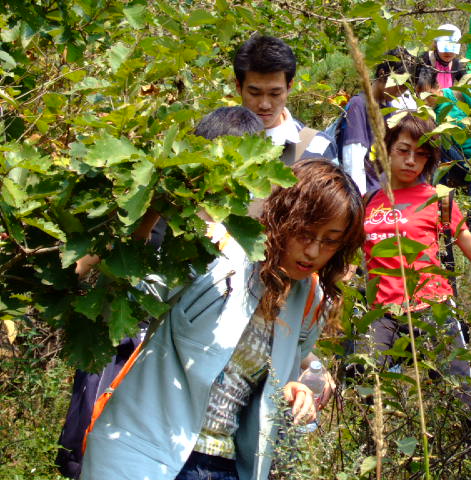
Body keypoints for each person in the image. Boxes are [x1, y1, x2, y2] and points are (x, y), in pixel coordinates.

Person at [81, 158, 365, 480]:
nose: (313, 251)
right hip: (144, 454)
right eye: (305, 233)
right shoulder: (215, 251)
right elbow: (124, 302)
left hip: (225, 467)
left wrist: (298, 389)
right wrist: (146, 218)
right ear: (282, 217)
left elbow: (286, 372)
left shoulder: (310, 299)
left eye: (330, 240)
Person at [57, 106, 266, 479]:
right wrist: (149, 214)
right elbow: (97, 280)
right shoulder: (158, 210)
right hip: (122, 364)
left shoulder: (245, 246)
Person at [362, 113, 471, 459]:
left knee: (463, 390)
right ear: (386, 150)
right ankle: (376, 459)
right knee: (364, 383)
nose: (411, 161)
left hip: (432, 308)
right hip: (383, 313)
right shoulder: (368, 202)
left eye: (421, 155)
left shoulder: (439, 199)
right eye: (403, 150)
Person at [417, 66, 471, 241]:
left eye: (428, 95)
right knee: (436, 140)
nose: (426, 101)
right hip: (456, 162)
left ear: (437, 87)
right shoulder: (428, 114)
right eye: (420, 97)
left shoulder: (459, 95)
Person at [234, 34, 337, 165]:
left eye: (275, 94)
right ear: (238, 86)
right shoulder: (219, 138)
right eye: (255, 93)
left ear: (289, 86)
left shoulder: (318, 146)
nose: (265, 105)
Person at [340, 47, 416, 194]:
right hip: (365, 195)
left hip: (382, 193)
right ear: (382, 74)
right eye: (399, 85)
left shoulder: (389, 108)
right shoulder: (359, 105)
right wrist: (361, 199)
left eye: (405, 87)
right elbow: (353, 161)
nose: (401, 92)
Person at [419, 24, 465, 91]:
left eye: (452, 49)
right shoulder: (424, 59)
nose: (448, 53)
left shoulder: (456, 64)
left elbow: (470, 86)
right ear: (436, 45)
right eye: (445, 48)